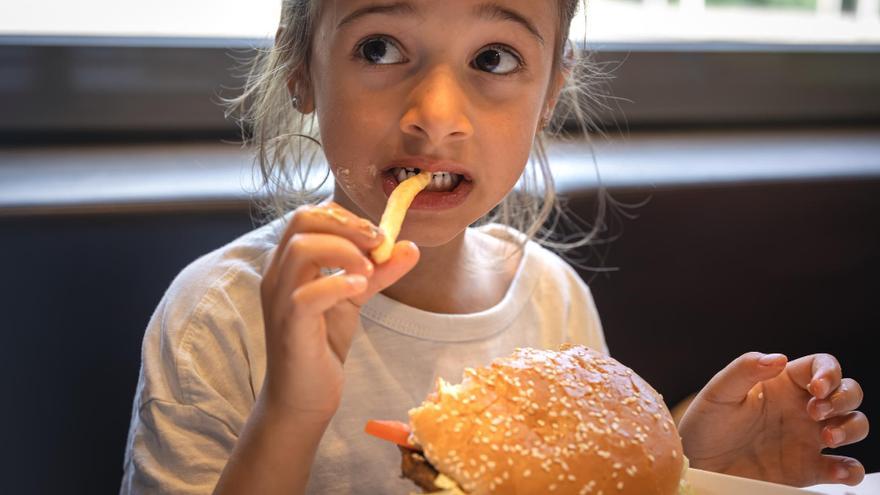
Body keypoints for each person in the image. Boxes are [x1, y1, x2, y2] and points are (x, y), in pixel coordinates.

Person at [119, 1, 870, 494]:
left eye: (494, 60)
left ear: (550, 92)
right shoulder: (216, 317)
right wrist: (292, 407)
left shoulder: (552, 297)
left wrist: (685, 465)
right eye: (380, 48)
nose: (437, 116)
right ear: (299, 69)